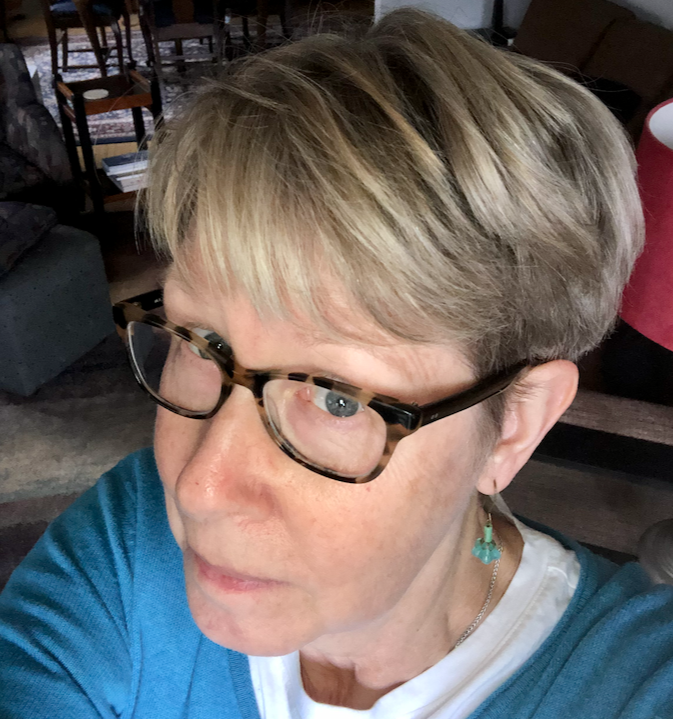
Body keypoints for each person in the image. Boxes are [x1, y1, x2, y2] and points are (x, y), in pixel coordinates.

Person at [1, 8, 672, 718]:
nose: (199, 487)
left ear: (513, 426)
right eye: (199, 344)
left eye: (337, 399)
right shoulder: (127, 539)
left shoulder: (638, 685)